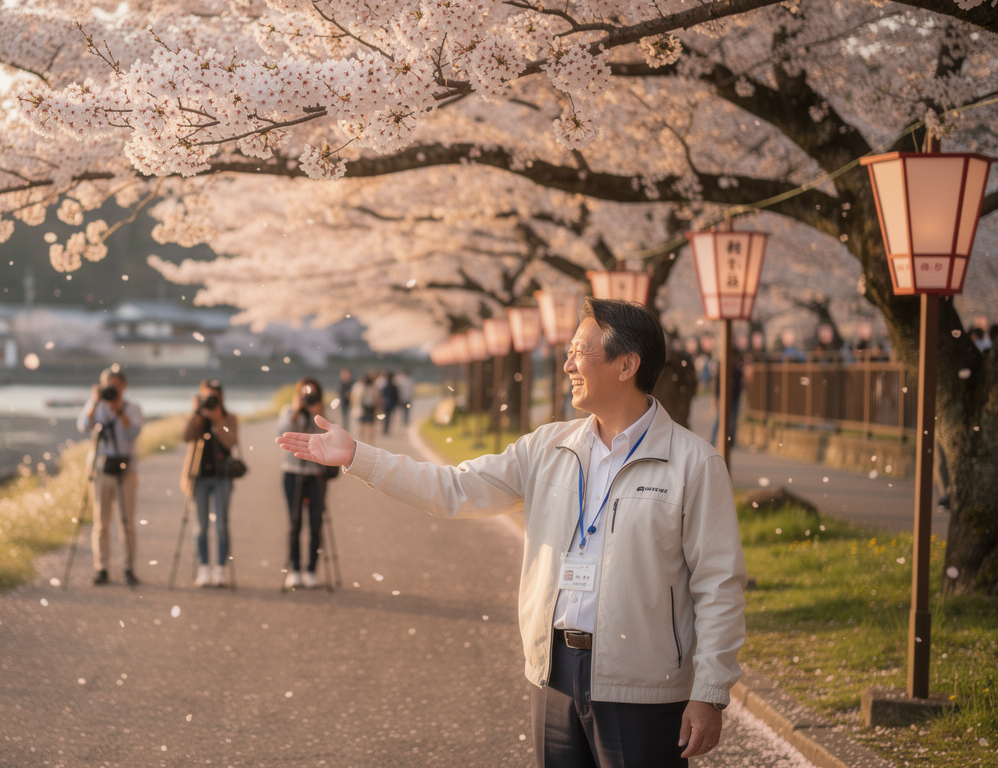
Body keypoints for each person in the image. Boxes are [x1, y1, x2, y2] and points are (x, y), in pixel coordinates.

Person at [277, 299, 747, 768]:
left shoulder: (693, 464)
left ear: (627, 365)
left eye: (579, 352)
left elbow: (718, 584)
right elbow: (454, 489)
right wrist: (359, 456)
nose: (567, 365)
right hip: (555, 673)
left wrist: (708, 692)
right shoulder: (548, 447)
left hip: (643, 682)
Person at [76, 368, 144, 587]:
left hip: (126, 470)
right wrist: (96, 403)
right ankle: (102, 567)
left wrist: (119, 410)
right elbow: (83, 426)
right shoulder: (97, 406)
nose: (111, 389)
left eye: (115, 385)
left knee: (127, 523)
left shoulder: (132, 408)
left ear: (124, 386)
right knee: (101, 523)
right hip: (101, 470)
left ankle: (128, 567)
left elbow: (133, 433)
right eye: (108, 385)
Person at [180, 380, 240, 588]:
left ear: (222, 398)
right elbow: (185, 436)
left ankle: (221, 570)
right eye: (208, 396)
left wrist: (216, 421)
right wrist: (196, 413)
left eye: (215, 396)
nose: (211, 400)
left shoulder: (229, 418)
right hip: (199, 476)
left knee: (222, 525)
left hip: (222, 476)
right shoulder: (198, 416)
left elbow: (230, 441)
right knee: (200, 526)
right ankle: (204, 568)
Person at [277, 377, 330, 589]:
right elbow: (280, 435)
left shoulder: (325, 415)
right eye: (305, 395)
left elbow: (332, 439)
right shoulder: (288, 412)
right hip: (292, 472)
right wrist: (297, 410)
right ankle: (295, 569)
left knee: (316, 524)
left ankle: (311, 571)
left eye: (312, 395)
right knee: (295, 523)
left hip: (316, 474)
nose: (309, 399)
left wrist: (319, 414)